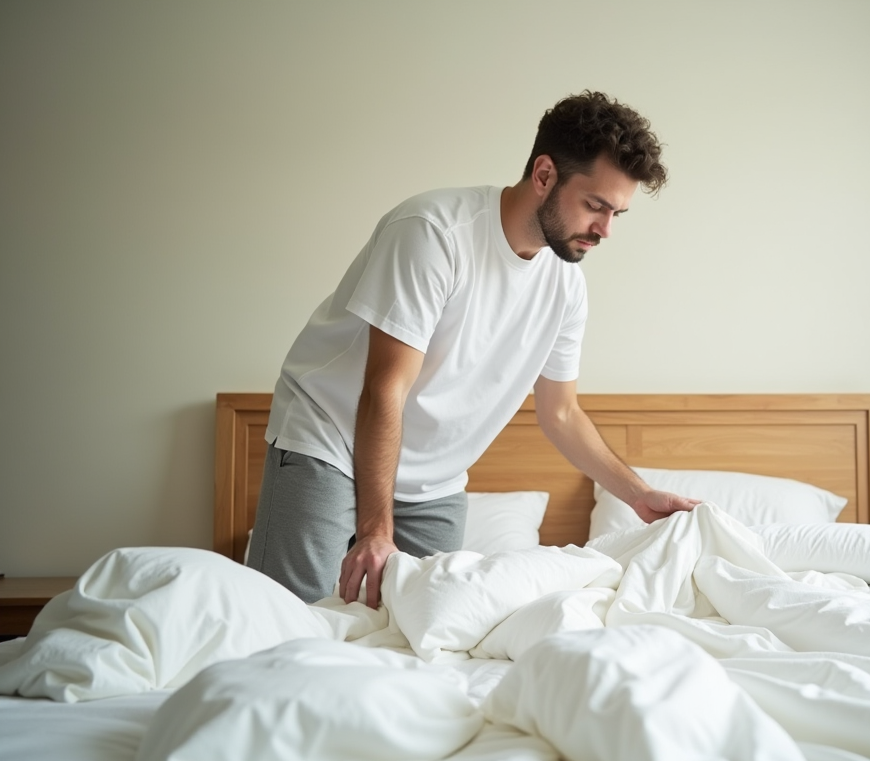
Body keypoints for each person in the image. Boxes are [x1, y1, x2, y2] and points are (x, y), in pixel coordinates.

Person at [247, 90, 700, 607]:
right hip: (331, 443)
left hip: (434, 482)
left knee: (425, 632)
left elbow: (562, 414)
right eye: (595, 206)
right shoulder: (433, 232)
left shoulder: (566, 287)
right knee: (292, 616)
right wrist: (376, 530)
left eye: (618, 212)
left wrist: (638, 494)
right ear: (545, 174)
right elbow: (384, 388)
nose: (605, 230)